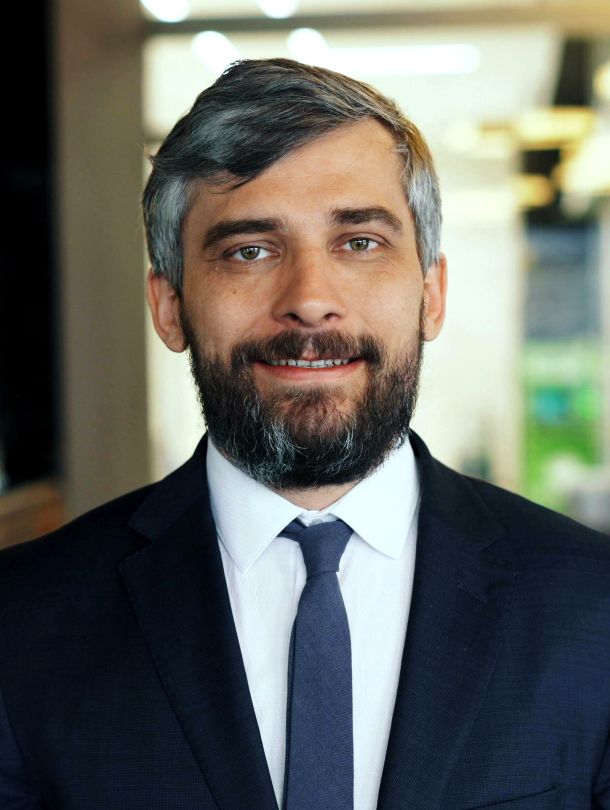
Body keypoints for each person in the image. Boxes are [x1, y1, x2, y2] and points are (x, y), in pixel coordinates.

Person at [0, 58, 609, 810]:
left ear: (431, 294)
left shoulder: (594, 608)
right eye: (249, 250)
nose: (311, 300)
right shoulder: (21, 624)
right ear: (170, 306)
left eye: (360, 242)